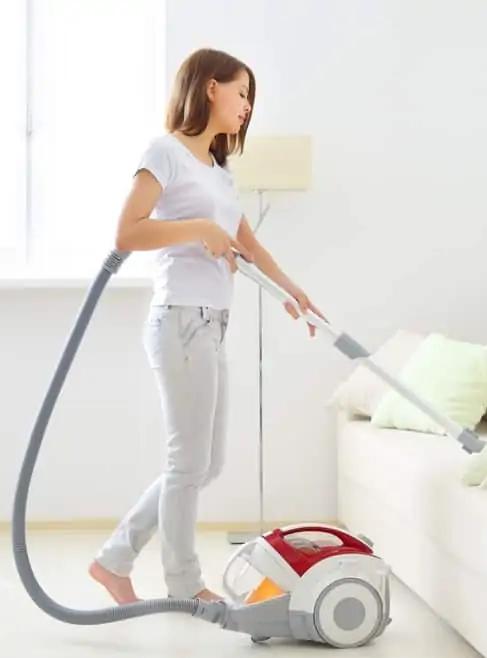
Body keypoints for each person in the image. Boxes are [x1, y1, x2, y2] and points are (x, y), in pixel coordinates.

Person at [88, 47, 323, 604]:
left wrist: (293, 292)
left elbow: (249, 242)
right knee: (187, 462)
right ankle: (184, 584)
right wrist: (196, 228)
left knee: (203, 464)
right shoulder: (164, 153)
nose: (247, 107)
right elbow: (128, 233)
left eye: (250, 99)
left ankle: (115, 559)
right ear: (210, 88)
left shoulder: (219, 172)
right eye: (242, 93)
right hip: (180, 321)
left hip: (212, 325)